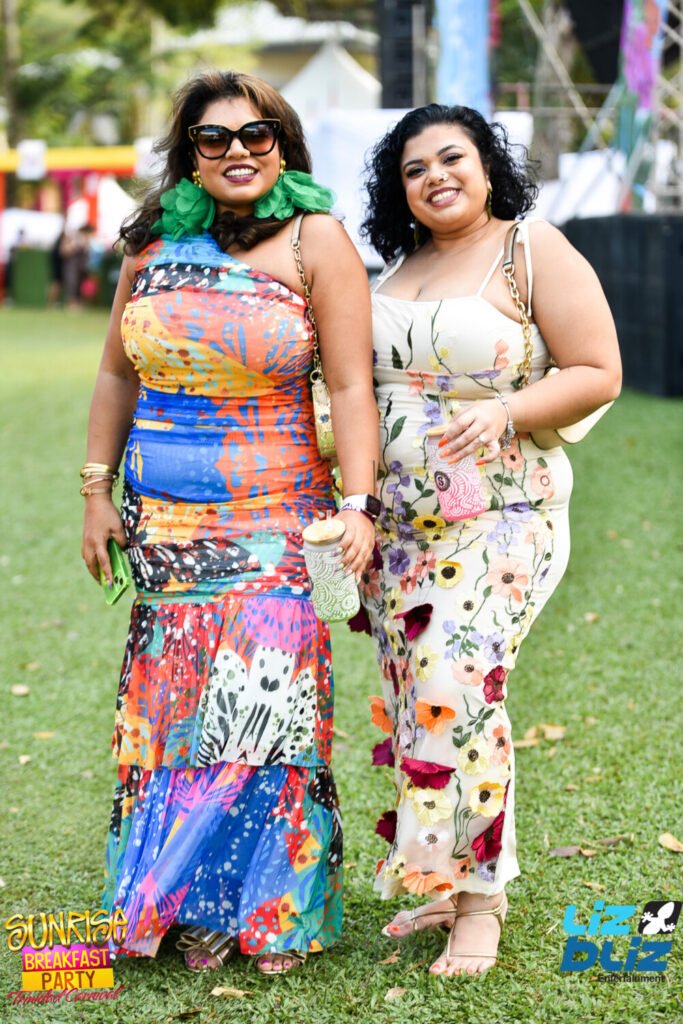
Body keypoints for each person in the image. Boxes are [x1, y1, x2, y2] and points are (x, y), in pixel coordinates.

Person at [81, 70, 378, 976]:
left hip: (278, 520)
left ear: (282, 145)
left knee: (266, 709)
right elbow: (117, 374)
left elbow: (350, 384)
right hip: (164, 529)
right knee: (174, 715)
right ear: (189, 155)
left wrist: (358, 504)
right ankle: (193, 908)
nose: (238, 151)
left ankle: (273, 907)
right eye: (214, 138)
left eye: (257, 134)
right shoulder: (150, 242)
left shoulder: (316, 239)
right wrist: (95, 491)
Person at [359, 104, 621, 977]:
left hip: (502, 517)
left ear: (486, 165)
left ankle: (481, 902)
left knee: (455, 685)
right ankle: (439, 879)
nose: (434, 177)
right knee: (416, 701)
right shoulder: (398, 264)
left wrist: (504, 410)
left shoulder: (529, 249)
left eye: (451, 158)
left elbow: (597, 370)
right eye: (413, 169)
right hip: (399, 527)